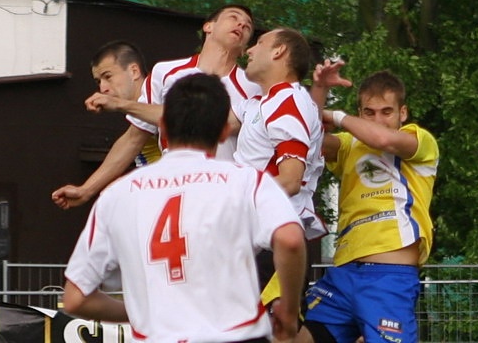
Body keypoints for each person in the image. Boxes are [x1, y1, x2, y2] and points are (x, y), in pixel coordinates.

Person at [62, 73, 307, 343]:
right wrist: (290, 311)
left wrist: (140, 312)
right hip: (235, 336)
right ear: (224, 131)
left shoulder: (117, 194)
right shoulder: (249, 181)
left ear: (163, 126)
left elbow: (74, 298)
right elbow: (290, 239)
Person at [51, 4, 260, 210]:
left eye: (248, 25)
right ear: (208, 27)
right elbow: (134, 138)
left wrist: (122, 104)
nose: (242, 24)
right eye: (233, 17)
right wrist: (87, 189)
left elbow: (210, 121)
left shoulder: (254, 87)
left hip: (224, 196)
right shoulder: (165, 72)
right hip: (174, 191)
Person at [296, 68, 440, 343]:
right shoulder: (350, 145)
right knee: (295, 337)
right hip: (342, 272)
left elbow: (384, 139)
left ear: (403, 113)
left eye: (387, 112)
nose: (379, 120)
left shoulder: (419, 141)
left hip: (388, 277)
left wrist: (337, 116)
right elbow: (306, 138)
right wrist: (320, 90)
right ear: (360, 113)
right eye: (369, 112)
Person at [232, 28, 326, 302]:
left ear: (279, 51)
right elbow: (195, 125)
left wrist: (231, 202)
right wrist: (126, 104)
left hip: (274, 243)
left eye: (259, 43)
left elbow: (290, 180)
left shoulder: (289, 100)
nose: (249, 50)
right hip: (256, 240)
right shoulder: (259, 103)